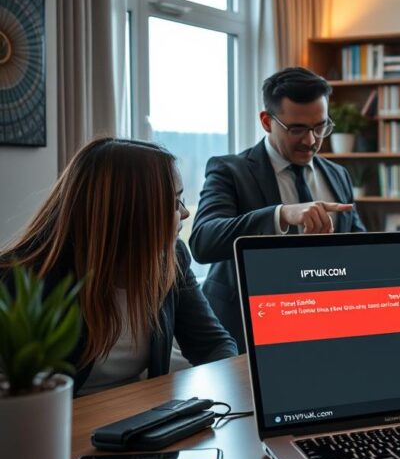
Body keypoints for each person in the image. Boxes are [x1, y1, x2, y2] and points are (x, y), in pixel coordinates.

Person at [0, 139, 238, 396]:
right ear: (134, 212)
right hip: (60, 426)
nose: (184, 213)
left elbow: (214, 345)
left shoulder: (171, 257)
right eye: (174, 202)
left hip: (138, 420)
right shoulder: (23, 278)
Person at [190, 67, 366, 350]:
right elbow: (203, 241)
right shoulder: (229, 171)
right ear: (266, 121)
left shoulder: (338, 174)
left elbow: (359, 247)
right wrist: (280, 215)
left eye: (320, 126)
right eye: (296, 129)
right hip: (242, 336)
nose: (311, 140)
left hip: (323, 330)